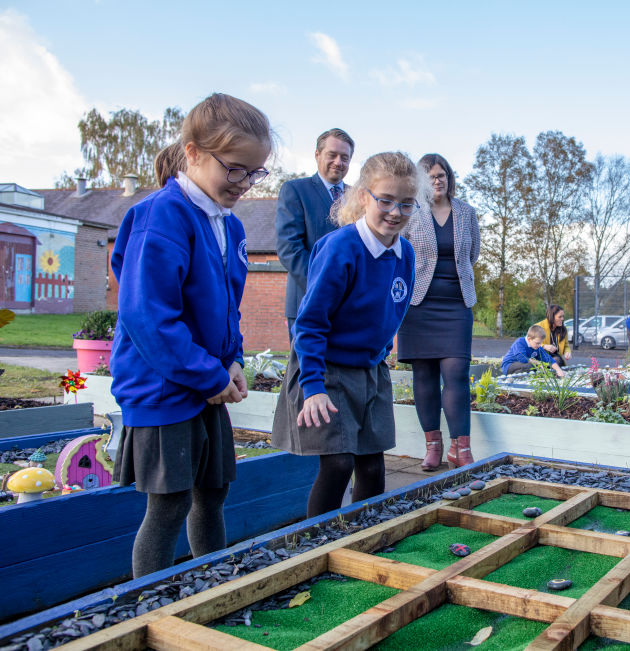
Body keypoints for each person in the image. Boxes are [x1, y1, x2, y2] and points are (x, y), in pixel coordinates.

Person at [110, 93, 273, 577]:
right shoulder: (161, 216)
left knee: (213, 494)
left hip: (206, 384)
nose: (244, 183)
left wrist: (233, 360)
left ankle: (213, 586)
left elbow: (226, 307)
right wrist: (208, 374)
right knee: (169, 506)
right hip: (163, 388)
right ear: (194, 152)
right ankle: (149, 606)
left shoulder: (231, 225)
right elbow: (147, 317)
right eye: (235, 168)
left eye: (255, 172)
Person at [272, 152, 419, 518]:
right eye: (386, 200)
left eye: (406, 203)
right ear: (363, 197)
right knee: (338, 464)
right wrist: (313, 387)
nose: (395, 212)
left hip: (370, 372)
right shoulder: (340, 248)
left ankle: (363, 537)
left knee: (372, 469)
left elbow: (392, 313)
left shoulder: (406, 254)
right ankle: (316, 542)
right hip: (328, 370)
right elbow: (310, 323)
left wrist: (377, 357)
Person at [397, 153, 480, 471]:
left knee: (456, 374)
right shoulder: (410, 210)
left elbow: (472, 254)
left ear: (449, 177)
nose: (437, 180)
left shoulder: (466, 212)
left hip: (456, 305)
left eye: (441, 174)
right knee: (424, 377)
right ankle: (433, 446)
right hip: (418, 305)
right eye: (430, 176)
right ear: (420, 181)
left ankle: (462, 448)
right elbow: (400, 252)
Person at [276, 129, 355, 334]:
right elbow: (289, 248)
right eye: (332, 155)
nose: (338, 162)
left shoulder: (359, 197)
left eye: (344, 157)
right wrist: (324, 286)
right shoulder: (295, 190)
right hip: (307, 301)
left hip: (349, 307)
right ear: (317, 155)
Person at [501, 325, 567, 377]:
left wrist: (558, 369)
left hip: (523, 366)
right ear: (529, 339)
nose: (539, 345)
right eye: (537, 343)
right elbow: (522, 358)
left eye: (540, 343)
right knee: (531, 366)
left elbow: (548, 358)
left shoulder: (537, 347)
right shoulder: (520, 342)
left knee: (553, 362)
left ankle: (521, 377)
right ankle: (512, 377)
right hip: (509, 366)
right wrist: (538, 363)